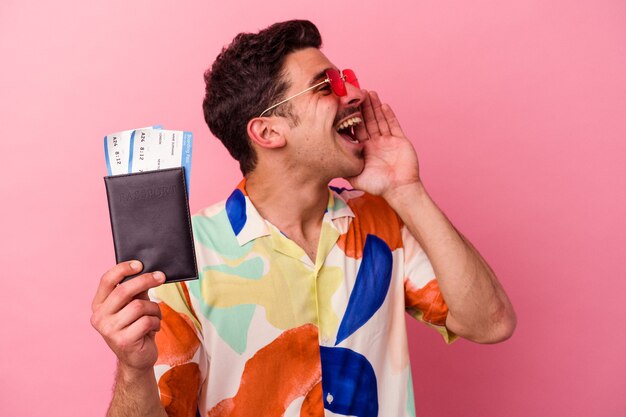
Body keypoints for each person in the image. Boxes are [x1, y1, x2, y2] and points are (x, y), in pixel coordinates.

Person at [91, 20, 516, 417]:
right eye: (324, 86)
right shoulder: (187, 260)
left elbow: (491, 323)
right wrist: (133, 369)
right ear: (269, 132)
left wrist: (407, 191)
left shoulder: (385, 222)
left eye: (344, 78)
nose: (353, 94)